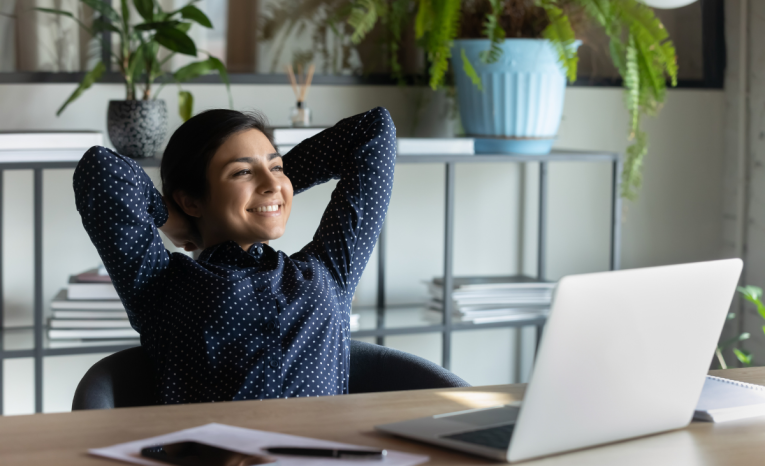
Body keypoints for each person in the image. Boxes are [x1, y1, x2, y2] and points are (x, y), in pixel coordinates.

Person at [73, 107, 396, 404]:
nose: (272, 181)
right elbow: (101, 169)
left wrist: (274, 188)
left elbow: (375, 130)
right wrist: (171, 217)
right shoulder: (160, 285)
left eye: (277, 166)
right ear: (190, 201)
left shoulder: (330, 268)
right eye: (241, 172)